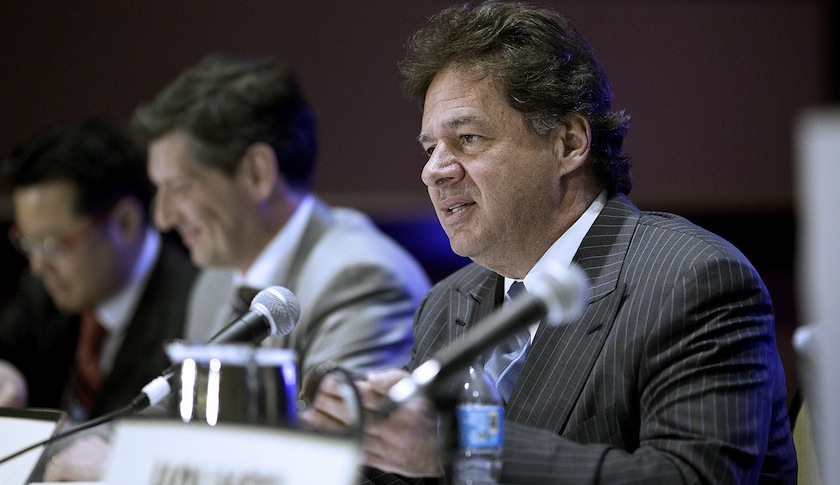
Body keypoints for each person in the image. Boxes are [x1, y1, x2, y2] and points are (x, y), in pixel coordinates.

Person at [301, 2, 797, 484]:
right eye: (431, 148)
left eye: (468, 139)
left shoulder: (692, 280)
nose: (434, 171)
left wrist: (467, 444)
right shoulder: (449, 302)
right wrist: (326, 442)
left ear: (569, 144)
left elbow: (691, 476)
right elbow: (408, 469)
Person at [131, 53, 430, 385]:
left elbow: (338, 416)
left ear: (257, 173)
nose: (163, 218)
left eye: (179, 188)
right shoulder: (213, 284)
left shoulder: (360, 280)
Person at [0, 119, 198, 422]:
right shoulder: (44, 289)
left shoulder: (192, 307)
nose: (37, 266)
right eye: (28, 242)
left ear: (125, 223)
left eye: (52, 244)